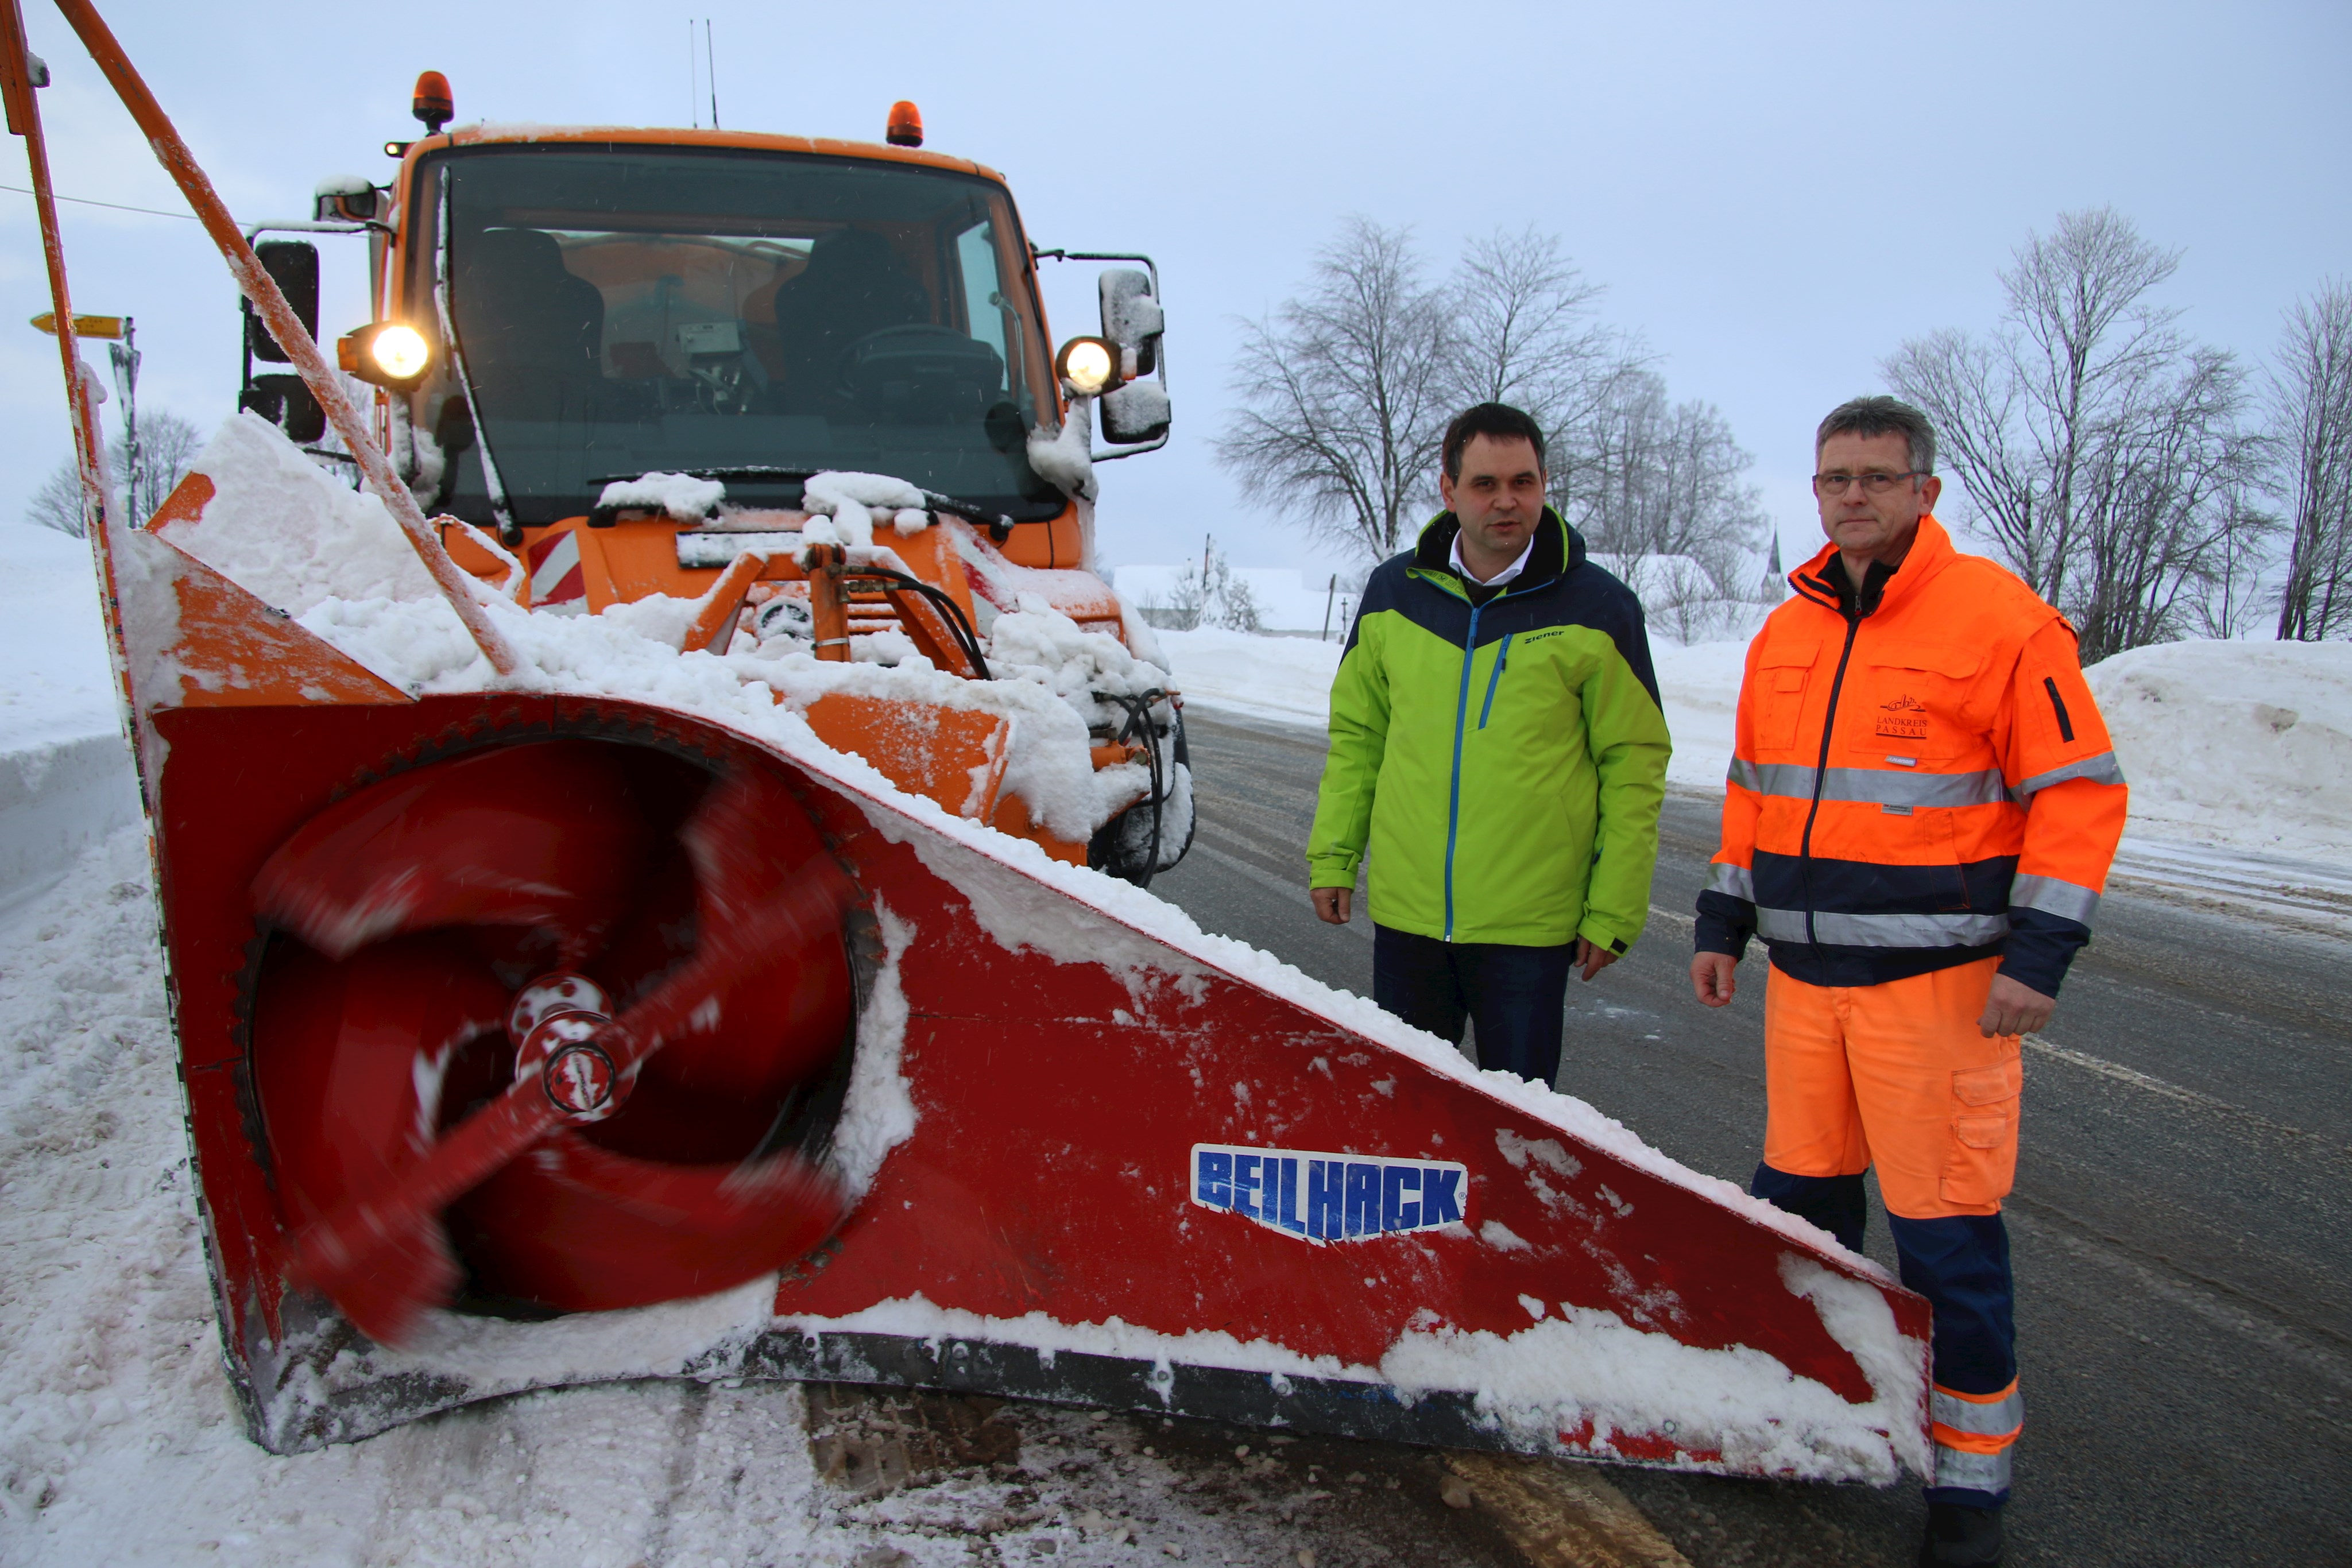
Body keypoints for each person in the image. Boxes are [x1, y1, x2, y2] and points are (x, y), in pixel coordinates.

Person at [1690, 396, 2126, 1568]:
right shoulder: (1786, 630)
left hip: (1938, 995)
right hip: (1804, 991)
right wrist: (1722, 920)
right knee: (1798, 1223)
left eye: (1876, 477)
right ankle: (1812, 1423)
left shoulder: (2000, 622)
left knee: (1944, 1244)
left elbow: (2078, 794)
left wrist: (2036, 959)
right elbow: (1751, 793)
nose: (1850, 497)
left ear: (1924, 491)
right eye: (1833, 477)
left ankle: (1964, 1487)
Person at [1307, 402, 1669, 1086]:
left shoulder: (1598, 606)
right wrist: (1333, 855)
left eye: (1523, 483)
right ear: (1448, 491)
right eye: (1485, 484)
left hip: (1529, 929)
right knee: (1411, 1114)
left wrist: (1613, 908)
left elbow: (1634, 763)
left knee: (1519, 1127)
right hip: (1409, 919)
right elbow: (1359, 737)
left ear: (1543, 484)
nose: (1507, 501)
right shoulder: (1394, 592)